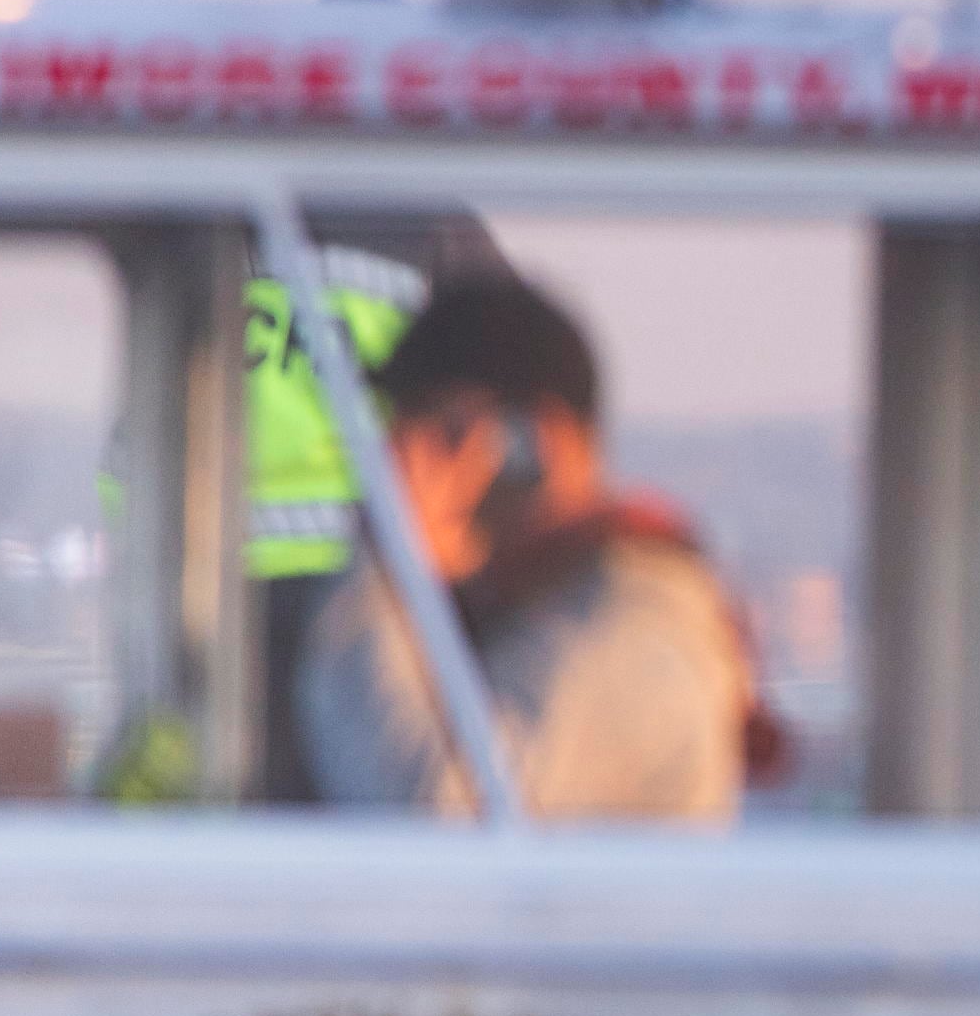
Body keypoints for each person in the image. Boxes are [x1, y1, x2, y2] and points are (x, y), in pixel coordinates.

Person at [299, 274, 764, 823]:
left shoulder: (627, 634)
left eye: (443, 433)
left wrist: (387, 564)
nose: (405, 463)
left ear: (533, 442)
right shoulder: (548, 606)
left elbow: (432, 812)